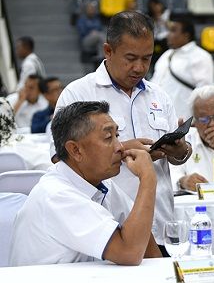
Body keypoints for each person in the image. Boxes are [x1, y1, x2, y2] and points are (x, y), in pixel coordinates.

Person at [56, 11, 192, 247]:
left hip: (162, 226)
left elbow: (179, 158)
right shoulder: (78, 94)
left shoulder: (159, 95)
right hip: (108, 232)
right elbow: (60, 159)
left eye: (147, 58)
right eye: (130, 58)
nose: (139, 67)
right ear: (108, 51)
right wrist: (123, 149)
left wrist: (180, 150)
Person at [9, 101, 162, 266]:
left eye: (117, 136)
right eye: (108, 138)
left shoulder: (102, 183)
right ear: (75, 150)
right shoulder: (56, 195)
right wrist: (148, 178)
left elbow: (145, 243)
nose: (120, 147)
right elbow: (129, 252)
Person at [151, 15, 214, 120]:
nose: (168, 35)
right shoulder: (166, 55)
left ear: (186, 35)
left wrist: (198, 120)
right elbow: (154, 84)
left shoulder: (201, 56)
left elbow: (206, 93)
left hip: (185, 120)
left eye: (173, 31)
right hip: (159, 118)